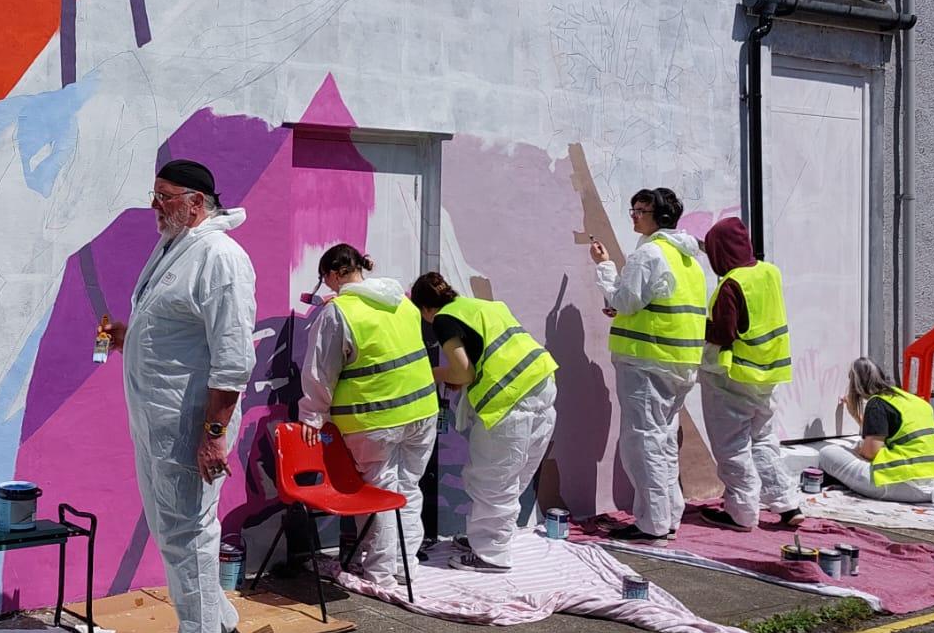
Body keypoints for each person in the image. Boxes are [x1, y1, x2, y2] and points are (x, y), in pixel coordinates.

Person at [103, 159, 255, 633]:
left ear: (196, 203)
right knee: (179, 536)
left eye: (164, 197)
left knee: (189, 539)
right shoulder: (176, 246)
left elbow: (233, 358)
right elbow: (176, 327)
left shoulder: (219, 256)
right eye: (154, 194)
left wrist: (214, 433)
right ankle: (225, 631)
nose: (154, 206)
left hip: (191, 426)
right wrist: (130, 335)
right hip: (160, 424)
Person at [297, 245, 437, 590]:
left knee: (378, 493)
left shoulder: (340, 312)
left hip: (375, 419)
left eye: (325, 280)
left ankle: (379, 574)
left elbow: (320, 372)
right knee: (407, 489)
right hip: (422, 411)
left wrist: (311, 417)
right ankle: (407, 565)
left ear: (332, 274)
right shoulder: (401, 300)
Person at [410, 272, 558, 571]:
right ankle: (486, 538)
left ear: (426, 309)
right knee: (513, 474)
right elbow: (488, 354)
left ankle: (490, 555)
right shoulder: (485, 307)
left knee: (492, 480)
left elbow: (463, 372)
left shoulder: (443, 319)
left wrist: (434, 374)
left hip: (507, 402)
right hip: (542, 387)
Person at [589, 187, 708, 541]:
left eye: (640, 210)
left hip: (647, 362)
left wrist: (605, 268)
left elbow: (625, 302)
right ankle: (668, 517)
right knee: (664, 442)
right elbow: (652, 303)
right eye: (633, 209)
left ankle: (651, 524)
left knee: (643, 444)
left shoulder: (650, 254)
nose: (634, 216)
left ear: (660, 216)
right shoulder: (688, 259)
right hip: (680, 363)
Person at [697, 218, 804, 532]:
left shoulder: (731, 283)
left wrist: (693, 322)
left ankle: (741, 512)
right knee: (763, 440)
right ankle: (787, 505)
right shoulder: (769, 272)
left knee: (732, 445)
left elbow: (723, 333)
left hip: (733, 377)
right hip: (768, 372)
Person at [822, 358, 934, 504]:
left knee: (827, 453)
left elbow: (870, 453)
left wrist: (859, 451)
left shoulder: (877, 403)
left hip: (910, 485)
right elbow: (886, 434)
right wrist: (857, 417)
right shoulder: (914, 401)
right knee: (858, 445)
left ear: (856, 385)